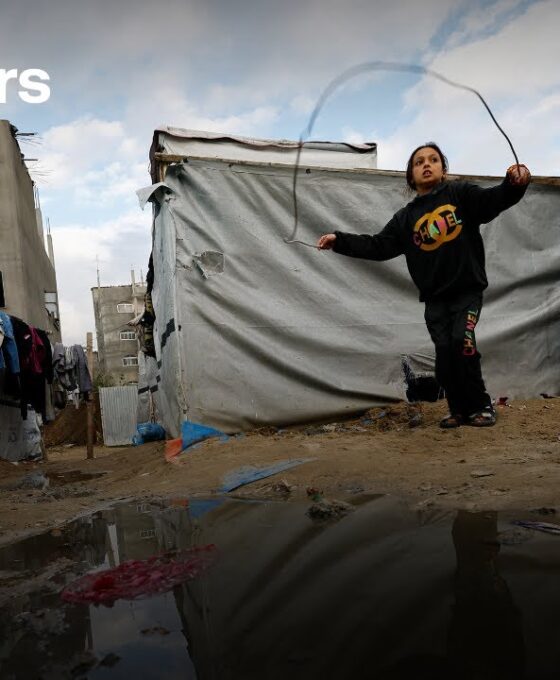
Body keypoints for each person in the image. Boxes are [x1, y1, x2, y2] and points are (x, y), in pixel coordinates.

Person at [317, 143, 531, 428]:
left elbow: (494, 199)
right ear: (410, 176)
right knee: (444, 354)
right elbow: (378, 246)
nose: (426, 164)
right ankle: (458, 409)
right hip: (435, 299)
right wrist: (340, 241)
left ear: (443, 170)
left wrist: (514, 184)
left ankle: (481, 404)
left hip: (467, 291)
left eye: (433, 160)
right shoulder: (405, 219)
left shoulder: (461, 194)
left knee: (462, 342)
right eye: (419, 162)